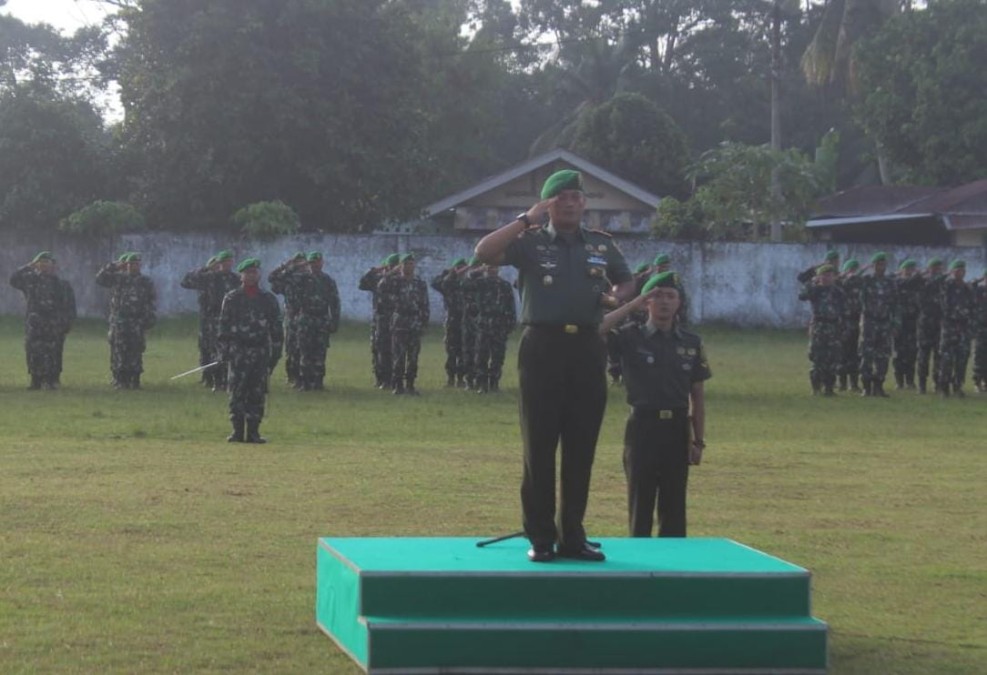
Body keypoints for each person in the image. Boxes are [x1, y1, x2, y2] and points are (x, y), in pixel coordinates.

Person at [475, 168, 635, 563]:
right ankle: (542, 537)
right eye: (561, 197)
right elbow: (484, 253)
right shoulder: (529, 242)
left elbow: (627, 281)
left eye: (576, 197)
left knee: (582, 447)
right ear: (547, 205)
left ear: (583, 204)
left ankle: (573, 536)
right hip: (542, 348)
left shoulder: (601, 245)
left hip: (587, 347)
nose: (570, 203)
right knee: (540, 446)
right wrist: (524, 220)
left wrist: (616, 297)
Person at [602, 271, 710, 537]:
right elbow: (598, 328)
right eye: (657, 296)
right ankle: (639, 572)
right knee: (640, 504)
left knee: (675, 508)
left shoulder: (691, 343)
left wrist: (698, 441)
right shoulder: (629, 337)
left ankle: (672, 571)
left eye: (671, 296)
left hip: (677, 428)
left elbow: (697, 394)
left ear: (679, 303)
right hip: (642, 427)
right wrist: (630, 305)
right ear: (646, 302)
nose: (664, 301)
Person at [217, 258, 283, 443]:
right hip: (238, 351)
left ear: (259, 274)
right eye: (247, 273)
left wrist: (275, 353)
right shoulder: (232, 298)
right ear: (241, 275)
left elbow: (276, 328)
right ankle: (237, 431)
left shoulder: (267, 299)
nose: (251, 276)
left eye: (254, 272)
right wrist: (224, 351)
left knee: (257, 393)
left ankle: (254, 432)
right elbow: (224, 326)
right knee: (237, 392)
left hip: (260, 351)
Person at [9, 251, 76, 390]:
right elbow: (13, 280)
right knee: (33, 350)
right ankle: (36, 380)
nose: (45, 266)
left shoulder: (61, 284)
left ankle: (52, 380)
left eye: (48, 263)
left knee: (54, 351)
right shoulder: (30, 280)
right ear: (37, 265)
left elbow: (70, 306)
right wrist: (28, 266)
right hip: (35, 322)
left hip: (54, 323)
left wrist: (67, 323)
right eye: (41, 263)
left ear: (54, 266)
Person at [95, 252, 156, 389]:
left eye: (136, 264)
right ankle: (121, 379)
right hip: (121, 321)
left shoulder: (145, 281)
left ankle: (135, 379)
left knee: (136, 350)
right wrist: (114, 266)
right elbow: (100, 279)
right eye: (131, 264)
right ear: (126, 265)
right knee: (120, 349)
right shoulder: (119, 278)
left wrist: (149, 319)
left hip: (137, 321)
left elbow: (151, 301)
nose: (134, 266)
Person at [180, 250, 239, 390]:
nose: (227, 265)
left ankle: (224, 378)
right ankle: (210, 377)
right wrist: (205, 268)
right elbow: (186, 281)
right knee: (208, 348)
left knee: (226, 348)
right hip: (210, 318)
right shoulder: (210, 277)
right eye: (224, 262)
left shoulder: (235, 279)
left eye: (229, 261)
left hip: (229, 318)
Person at [377, 253, 429, 395]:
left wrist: (424, 322)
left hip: (414, 322)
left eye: (412, 264)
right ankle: (397, 385)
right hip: (400, 321)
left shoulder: (419, 283)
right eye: (406, 264)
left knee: (413, 357)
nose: (409, 266)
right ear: (401, 266)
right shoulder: (394, 281)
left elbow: (424, 303)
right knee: (398, 356)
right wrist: (390, 273)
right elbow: (381, 287)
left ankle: (410, 385)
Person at [295, 251, 341, 390]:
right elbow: (283, 281)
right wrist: (294, 265)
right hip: (306, 318)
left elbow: (334, 302)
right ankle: (305, 382)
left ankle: (318, 382)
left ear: (322, 263)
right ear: (308, 264)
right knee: (305, 351)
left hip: (321, 319)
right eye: (312, 262)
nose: (315, 265)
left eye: (318, 262)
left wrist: (334, 321)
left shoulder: (328, 281)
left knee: (320, 352)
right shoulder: (301, 279)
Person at [798, 264, 846, 396]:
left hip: (834, 327)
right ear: (819, 277)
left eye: (830, 275)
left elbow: (843, 309)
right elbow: (802, 296)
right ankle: (816, 387)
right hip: (819, 326)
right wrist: (810, 281)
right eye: (824, 275)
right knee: (817, 357)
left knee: (833, 358)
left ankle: (829, 388)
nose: (827, 278)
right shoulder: (815, 290)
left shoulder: (838, 292)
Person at [472, 263, 517, 393]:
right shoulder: (481, 283)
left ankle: (494, 382)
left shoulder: (504, 285)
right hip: (484, 322)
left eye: (495, 267)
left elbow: (510, 305)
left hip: (499, 324)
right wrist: (478, 271)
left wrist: (510, 324)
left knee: (498, 355)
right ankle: (482, 383)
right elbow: (466, 283)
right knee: (481, 354)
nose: (493, 270)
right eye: (490, 267)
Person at [857, 252, 897, 397]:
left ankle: (879, 385)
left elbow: (895, 303)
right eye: (878, 264)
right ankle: (866, 387)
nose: (881, 267)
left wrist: (895, 322)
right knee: (866, 355)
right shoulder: (866, 280)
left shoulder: (890, 282)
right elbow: (851, 280)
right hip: (869, 322)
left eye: (883, 264)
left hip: (884, 323)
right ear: (873, 266)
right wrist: (864, 268)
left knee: (883, 356)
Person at [359, 253, 401, 387]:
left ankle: (394, 379)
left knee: (396, 350)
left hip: (397, 319)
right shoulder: (379, 279)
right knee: (380, 349)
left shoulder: (402, 280)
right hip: (381, 319)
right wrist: (375, 269)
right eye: (392, 266)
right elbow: (362, 283)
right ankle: (381, 378)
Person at [268, 252, 307, 386]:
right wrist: (286, 266)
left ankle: (304, 377)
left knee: (305, 348)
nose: (301, 265)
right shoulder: (288, 278)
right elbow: (272, 278)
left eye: (302, 262)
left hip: (307, 316)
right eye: (298, 262)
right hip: (291, 316)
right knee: (291, 348)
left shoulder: (309, 277)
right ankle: (292, 376)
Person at [937, 259, 975, 397]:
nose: (961, 272)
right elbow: (945, 306)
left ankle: (958, 386)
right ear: (953, 271)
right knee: (946, 359)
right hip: (949, 328)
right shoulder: (947, 286)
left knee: (962, 359)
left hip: (964, 329)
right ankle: (944, 387)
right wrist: (960, 314)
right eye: (958, 270)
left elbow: (972, 308)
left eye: (963, 270)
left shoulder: (968, 288)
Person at [431, 257, 469, 387]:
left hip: (466, 321)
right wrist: (451, 272)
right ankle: (451, 378)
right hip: (452, 321)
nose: (463, 271)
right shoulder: (448, 284)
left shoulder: (466, 284)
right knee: (451, 351)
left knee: (464, 351)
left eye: (464, 268)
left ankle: (461, 378)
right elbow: (436, 282)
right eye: (460, 268)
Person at [916, 258, 946, 394]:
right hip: (925, 324)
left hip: (939, 323)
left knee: (939, 355)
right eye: (935, 267)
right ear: (930, 268)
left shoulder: (943, 284)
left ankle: (937, 382)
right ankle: (922, 384)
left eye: (939, 267)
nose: (937, 270)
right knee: (923, 355)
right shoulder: (923, 281)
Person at [892, 259, 922, 389]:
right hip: (900, 322)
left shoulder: (915, 284)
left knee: (912, 353)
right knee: (899, 353)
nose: (910, 271)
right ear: (902, 269)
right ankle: (899, 381)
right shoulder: (898, 282)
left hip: (913, 323)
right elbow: (906, 282)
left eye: (912, 269)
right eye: (908, 268)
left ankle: (910, 380)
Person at [836, 259, 863, 392]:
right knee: (842, 354)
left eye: (855, 269)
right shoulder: (840, 283)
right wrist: (845, 276)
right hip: (843, 323)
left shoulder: (859, 284)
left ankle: (854, 383)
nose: (853, 272)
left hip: (856, 322)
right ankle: (842, 383)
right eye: (851, 269)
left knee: (855, 354)